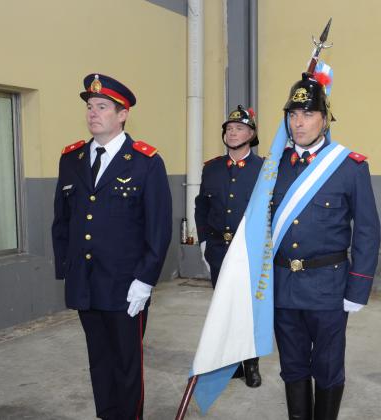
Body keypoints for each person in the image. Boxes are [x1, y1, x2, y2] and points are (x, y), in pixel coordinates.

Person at [51, 74, 172, 419]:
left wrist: (145, 280)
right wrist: (67, 268)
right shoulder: (71, 159)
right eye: (90, 107)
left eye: (102, 107)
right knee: (98, 362)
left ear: (122, 115)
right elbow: (62, 220)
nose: (93, 113)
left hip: (125, 286)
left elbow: (159, 228)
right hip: (86, 284)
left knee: (126, 365)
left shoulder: (146, 162)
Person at [270, 73, 381, 420]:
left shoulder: (349, 168)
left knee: (328, 366)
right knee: (292, 364)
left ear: (325, 119)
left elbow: (367, 230)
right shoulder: (273, 168)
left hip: (329, 286)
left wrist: (358, 287)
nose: (298, 122)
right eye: (293, 115)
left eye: (307, 114)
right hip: (283, 284)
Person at [194, 104, 264, 387]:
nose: (233, 133)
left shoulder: (264, 169)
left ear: (251, 134)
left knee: (250, 310)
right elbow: (201, 206)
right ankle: (230, 363)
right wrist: (202, 240)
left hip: (249, 252)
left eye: (239, 128)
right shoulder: (211, 168)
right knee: (224, 307)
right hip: (219, 250)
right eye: (229, 129)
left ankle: (252, 364)